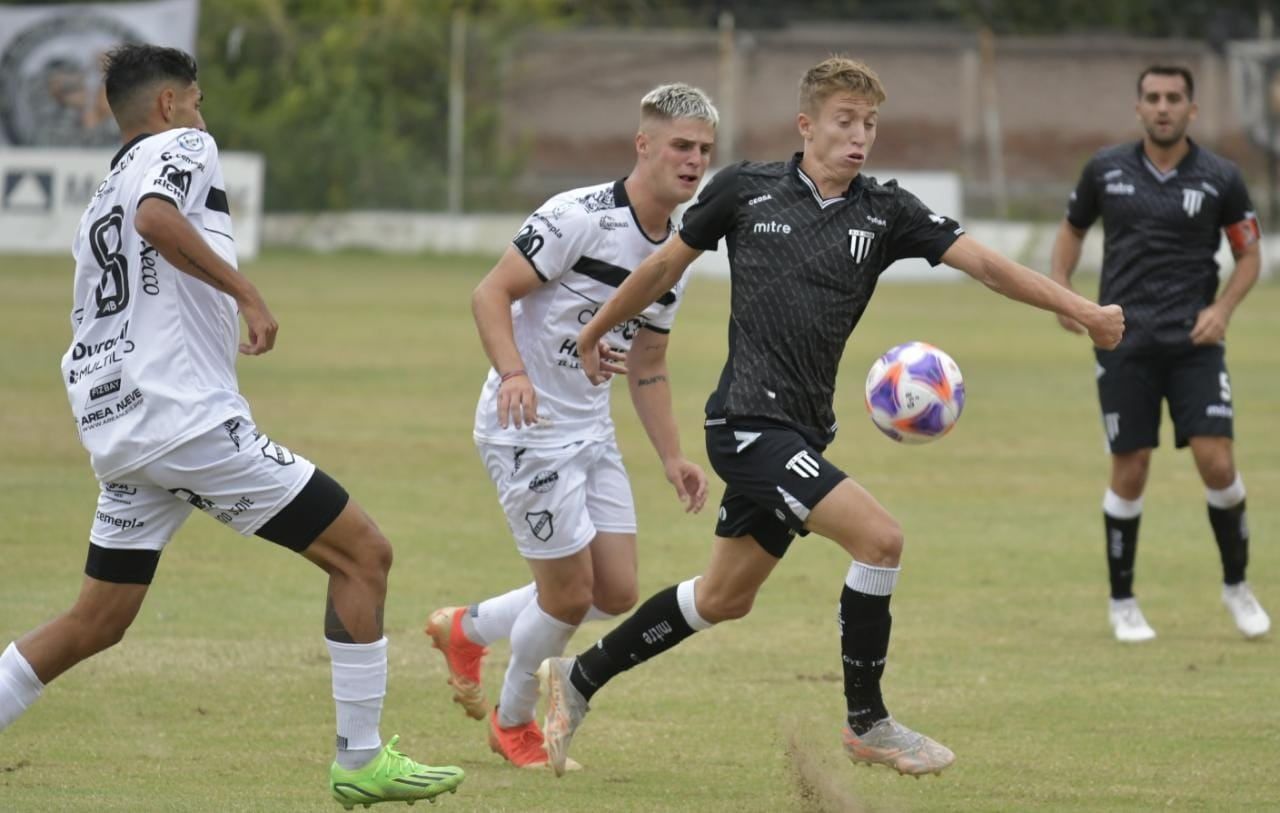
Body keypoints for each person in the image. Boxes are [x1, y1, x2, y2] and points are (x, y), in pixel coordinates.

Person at [537, 55, 1125, 779]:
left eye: (871, 123)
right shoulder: (745, 191)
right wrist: (596, 331)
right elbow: (663, 268)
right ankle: (868, 720)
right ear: (806, 125)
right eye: (846, 121)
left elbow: (990, 267)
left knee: (723, 597)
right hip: (747, 425)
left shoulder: (887, 212)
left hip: (804, 430)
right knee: (880, 539)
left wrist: (1084, 310)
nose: (861, 137)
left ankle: (579, 678)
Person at [0, 44, 464, 808]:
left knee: (96, 619)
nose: (202, 115)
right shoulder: (183, 145)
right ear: (169, 106)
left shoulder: (98, 195)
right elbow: (160, 217)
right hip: (184, 420)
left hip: (122, 427)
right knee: (363, 554)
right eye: (198, 100)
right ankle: (360, 757)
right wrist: (248, 293)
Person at [424, 84, 715, 768]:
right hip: (526, 427)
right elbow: (489, 293)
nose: (694, 160)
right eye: (681, 145)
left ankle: (465, 628)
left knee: (613, 591)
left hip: (592, 429)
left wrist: (672, 455)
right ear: (644, 144)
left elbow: (649, 359)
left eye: (704, 149)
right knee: (567, 595)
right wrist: (516, 373)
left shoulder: (675, 250)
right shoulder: (577, 216)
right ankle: (514, 719)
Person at [1050, 65, 1270, 643]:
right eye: (1153, 97)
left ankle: (1236, 586)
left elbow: (1249, 256)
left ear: (1191, 110)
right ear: (1139, 107)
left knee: (1217, 462)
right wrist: (1064, 293)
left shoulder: (1221, 177)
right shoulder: (1105, 169)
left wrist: (1221, 311)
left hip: (1195, 344)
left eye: (1174, 98)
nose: (1163, 106)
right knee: (1132, 468)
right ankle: (1123, 602)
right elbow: (1072, 230)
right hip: (1122, 342)